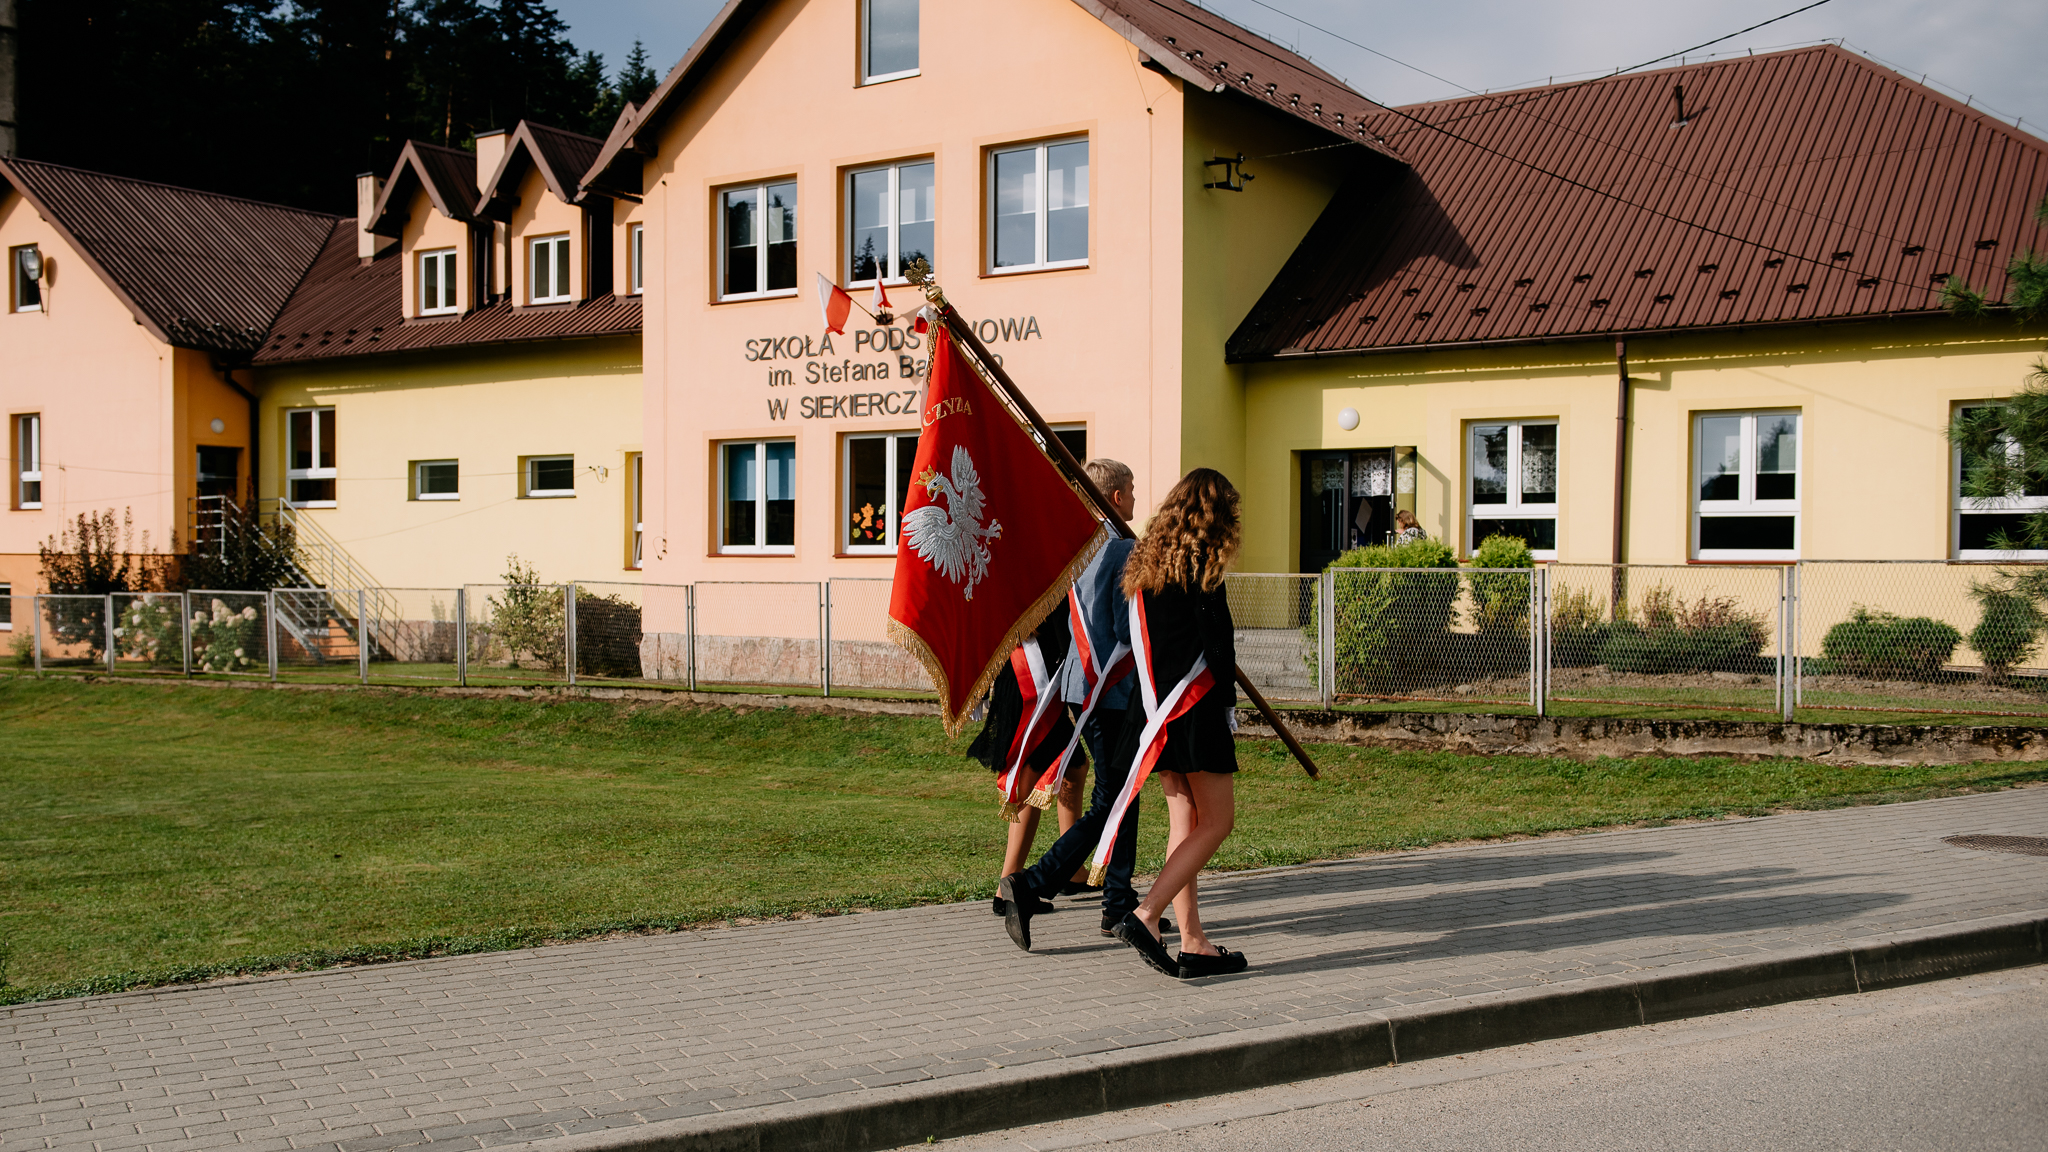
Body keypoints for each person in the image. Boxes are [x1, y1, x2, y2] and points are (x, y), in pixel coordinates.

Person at [995, 459, 1155, 951]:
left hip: (1082, 687)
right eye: (1130, 489)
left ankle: (1118, 904)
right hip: (1114, 690)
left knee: (1120, 796)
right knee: (1113, 799)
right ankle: (1032, 883)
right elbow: (1128, 627)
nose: (1134, 497)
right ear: (1116, 497)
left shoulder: (1078, 547)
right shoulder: (1123, 548)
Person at [1104, 468, 1249, 979]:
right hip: (1194, 709)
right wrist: (1229, 704)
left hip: (1155, 710)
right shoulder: (1202, 568)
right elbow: (1218, 647)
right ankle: (1146, 914)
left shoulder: (1147, 565)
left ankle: (1193, 942)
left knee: (1184, 823)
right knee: (1217, 822)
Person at [968, 604, 1088, 921]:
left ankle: (1072, 870)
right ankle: (1007, 887)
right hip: (1032, 679)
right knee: (1032, 778)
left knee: (1073, 767)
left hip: (1033, 671)